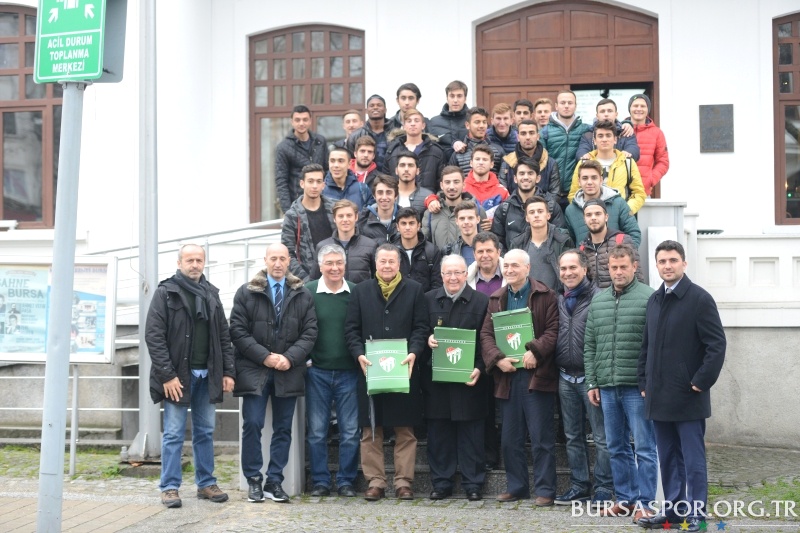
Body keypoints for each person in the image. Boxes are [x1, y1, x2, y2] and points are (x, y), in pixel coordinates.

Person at [637, 240, 726, 532]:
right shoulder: (654, 300)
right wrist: (643, 382)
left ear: (684, 264)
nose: (667, 266)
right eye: (662, 261)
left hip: (688, 395)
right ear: (656, 265)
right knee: (668, 458)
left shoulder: (700, 299)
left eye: (673, 260)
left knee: (692, 459)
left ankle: (697, 515)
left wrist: (700, 381)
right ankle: (674, 512)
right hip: (658, 396)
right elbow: (646, 347)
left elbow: (716, 345)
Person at [145, 243, 236, 508]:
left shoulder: (211, 293)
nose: (195, 265)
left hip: (207, 375)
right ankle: (170, 487)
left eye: (199, 260)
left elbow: (223, 335)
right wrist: (167, 375)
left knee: (205, 432)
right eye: (189, 260)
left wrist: (227, 371)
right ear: (179, 263)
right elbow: (154, 336)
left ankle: (206, 483)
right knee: (173, 434)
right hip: (177, 377)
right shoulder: (166, 293)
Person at [231, 243, 318, 504]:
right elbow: (237, 330)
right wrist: (265, 356)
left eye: (282, 258)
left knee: (283, 428)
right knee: (253, 424)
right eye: (273, 259)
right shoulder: (247, 292)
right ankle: (253, 480)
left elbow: (310, 332)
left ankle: (274, 481)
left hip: (288, 370)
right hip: (254, 369)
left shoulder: (302, 294)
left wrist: (288, 358)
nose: (278, 263)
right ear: (265, 260)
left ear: (289, 261)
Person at [344, 244, 429, 501]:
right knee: (371, 429)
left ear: (399, 264)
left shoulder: (414, 290)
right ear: (375, 264)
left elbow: (421, 328)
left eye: (392, 261)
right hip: (370, 370)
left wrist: (414, 352)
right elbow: (351, 329)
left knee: (405, 430)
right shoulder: (361, 291)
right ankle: (376, 481)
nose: (387, 265)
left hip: (404, 369)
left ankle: (404, 482)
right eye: (383, 261)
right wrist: (358, 354)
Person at [480, 249, 559, 506]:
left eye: (515, 265)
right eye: (507, 266)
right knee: (510, 439)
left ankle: (545, 489)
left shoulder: (546, 295)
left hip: (537, 376)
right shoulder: (496, 298)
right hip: (508, 377)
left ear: (528, 268)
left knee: (541, 438)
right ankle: (517, 487)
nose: (510, 270)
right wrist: (497, 359)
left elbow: (553, 330)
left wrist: (536, 351)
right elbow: (486, 335)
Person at [584, 244, 656, 521]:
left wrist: (649, 382)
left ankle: (646, 503)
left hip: (637, 388)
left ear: (634, 266)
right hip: (607, 386)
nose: (618, 272)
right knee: (616, 447)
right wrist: (593, 382)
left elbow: (655, 346)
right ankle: (626, 500)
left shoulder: (649, 298)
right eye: (613, 267)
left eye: (623, 266)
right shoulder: (599, 301)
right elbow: (590, 344)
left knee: (645, 448)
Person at [423, 255, 490, 501]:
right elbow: (418, 330)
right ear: (441, 275)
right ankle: (441, 483)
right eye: (448, 273)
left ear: (466, 274)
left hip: (469, 379)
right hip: (437, 381)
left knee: (472, 435)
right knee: (439, 435)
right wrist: (427, 339)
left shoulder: (481, 301)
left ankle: (473, 484)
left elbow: (487, 339)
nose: (453, 277)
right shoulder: (428, 299)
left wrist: (480, 368)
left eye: (458, 272)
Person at [552, 249, 613, 507]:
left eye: (573, 268)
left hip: (591, 379)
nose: (568, 273)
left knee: (601, 437)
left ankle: (604, 488)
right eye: (563, 269)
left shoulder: (600, 298)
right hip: (565, 378)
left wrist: (596, 379)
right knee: (573, 436)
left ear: (585, 269)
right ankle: (579, 485)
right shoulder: (557, 299)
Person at [305, 244, 360, 498]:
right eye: (329, 263)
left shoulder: (356, 292)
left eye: (339, 263)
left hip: (349, 372)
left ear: (345, 265)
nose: (335, 268)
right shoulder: (308, 292)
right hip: (317, 372)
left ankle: (347, 481)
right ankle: (320, 481)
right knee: (317, 432)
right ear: (320, 266)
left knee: (350, 432)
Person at [465, 230, 505, 470]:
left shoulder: (510, 275)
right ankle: (489, 456)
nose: (485, 255)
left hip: (507, 351)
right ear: (474, 254)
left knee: (509, 409)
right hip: (478, 354)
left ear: (498, 252)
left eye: (490, 250)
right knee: (486, 410)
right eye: (480, 251)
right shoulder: (468, 280)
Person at [568, 120, 647, 215]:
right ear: (594, 141)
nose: (604, 139)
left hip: (619, 216)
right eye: (600, 136)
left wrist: (626, 211)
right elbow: (574, 194)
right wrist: (586, 212)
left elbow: (639, 193)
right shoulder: (584, 162)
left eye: (608, 135)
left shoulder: (627, 162)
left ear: (615, 139)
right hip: (591, 218)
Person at [493, 157, 565, 253]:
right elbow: (497, 242)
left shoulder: (551, 206)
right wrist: (507, 259)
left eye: (530, 173)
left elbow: (561, 239)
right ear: (515, 178)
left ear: (538, 178)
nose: (526, 177)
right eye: (522, 173)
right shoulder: (504, 209)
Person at [565, 160, 641, 247]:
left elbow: (634, 234)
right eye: (585, 178)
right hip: (584, 256)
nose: (589, 182)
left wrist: (622, 255)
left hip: (614, 255)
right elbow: (569, 244)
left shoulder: (619, 203)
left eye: (594, 178)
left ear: (601, 180)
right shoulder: (571, 210)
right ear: (579, 181)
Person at [281, 164, 336, 281]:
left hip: (336, 273)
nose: (314, 186)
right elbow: (287, 253)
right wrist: (306, 279)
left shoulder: (334, 209)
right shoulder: (292, 216)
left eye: (318, 181)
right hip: (307, 278)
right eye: (310, 181)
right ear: (302, 183)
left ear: (323, 185)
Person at [540, 91, 592, 211]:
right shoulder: (545, 132)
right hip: (551, 192)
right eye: (563, 103)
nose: (566, 106)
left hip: (577, 193)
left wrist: (626, 124)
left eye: (570, 103)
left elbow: (607, 127)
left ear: (575, 106)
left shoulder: (586, 129)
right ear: (556, 106)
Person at [509, 196, 574, 291]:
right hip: (528, 297)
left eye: (540, 211)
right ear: (527, 218)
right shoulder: (517, 244)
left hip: (556, 297)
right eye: (532, 212)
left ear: (548, 215)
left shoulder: (563, 241)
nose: (536, 215)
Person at [309, 199, 378, 284]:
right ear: (334, 219)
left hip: (360, 292)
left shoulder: (371, 246)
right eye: (341, 216)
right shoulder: (322, 246)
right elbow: (314, 280)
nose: (345, 219)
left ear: (356, 217)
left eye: (349, 215)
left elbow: (377, 279)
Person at [275, 105, 329, 213]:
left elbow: (327, 171)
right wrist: (288, 211)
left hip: (322, 202)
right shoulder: (283, 147)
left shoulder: (320, 141)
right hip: (298, 205)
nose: (301, 123)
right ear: (292, 122)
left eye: (305, 119)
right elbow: (281, 181)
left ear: (310, 121)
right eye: (297, 120)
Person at [580, 199, 643, 288]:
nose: (593, 218)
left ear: (606, 217)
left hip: (621, 296)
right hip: (594, 297)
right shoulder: (583, 248)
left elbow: (638, 275)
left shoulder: (622, 240)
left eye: (598, 214)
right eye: (588, 215)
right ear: (584, 219)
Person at [420, 166, 486, 249]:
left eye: (456, 182)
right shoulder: (430, 213)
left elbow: (485, 240)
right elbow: (424, 241)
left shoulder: (477, 210)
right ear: (441, 185)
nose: (451, 187)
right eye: (447, 182)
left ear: (463, 185)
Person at [383, 109, 446, 191]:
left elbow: (442, 181)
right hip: (399, 197)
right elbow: (386, 180)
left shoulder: (436, 151)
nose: (413, 124)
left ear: (423, 125)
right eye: (409, 121)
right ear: (404, 126)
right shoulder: (392, 151)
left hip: (428, 197)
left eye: (416, 121)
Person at [498, 119, 561, 198]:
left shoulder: (550, 164)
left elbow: (555, 195)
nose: (528, 137)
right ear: (518, 137)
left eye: (531, 133)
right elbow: (503, 194)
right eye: (523, 133)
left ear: (538, 136)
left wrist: (540, 205)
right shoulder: (507, 163)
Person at [391, 207, 443, 292]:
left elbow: (437, 285)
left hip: (425, 299)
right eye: (403, 223)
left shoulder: (432, 251)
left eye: (411, 223)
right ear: (397, 227)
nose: (407, 227)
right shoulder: (390, 252)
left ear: (419, 226)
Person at [627, 94, 669, 195]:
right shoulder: (620, 130)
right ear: (630, 109)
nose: (639, 109)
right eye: (635, 106)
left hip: (642, 191)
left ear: (648, 109)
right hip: (620, 190)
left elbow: (663, 162)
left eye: (643, 106)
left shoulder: (657, 133)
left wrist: (650, 180)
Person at [449, 107, 504, 177]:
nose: (481, 126)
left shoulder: (498, 151)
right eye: (477, 122)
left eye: (484, 122)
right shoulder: (458, 153)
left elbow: (503, 179)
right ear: (467, 125)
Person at [462, 144, 509, 218]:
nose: (481, 162)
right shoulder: (462, 188)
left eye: (485, 160)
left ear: (492, 164)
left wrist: (494, 223)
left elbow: (508, 217)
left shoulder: (502, 191)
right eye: (477, 159)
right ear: (471, 163)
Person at [322, 147, 374, 213]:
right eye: (332, 161)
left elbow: (371, 215)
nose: (336, 165)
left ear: (349, 164)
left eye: (341, 161)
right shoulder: (321, 190)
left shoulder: (362, 189)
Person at [347, 95, 391, 169]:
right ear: (366, 111)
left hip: (390, 176)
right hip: (366, 176)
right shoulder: (355, 136)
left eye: (379, 105)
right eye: (372, 105)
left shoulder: (395, 134)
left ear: (385, 110)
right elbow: (350, 162)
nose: (375, 107)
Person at [429, 80, 469, 160]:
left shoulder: (472, 121)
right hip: (442, 166)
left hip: (467, 165)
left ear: (465, 99)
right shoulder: (433, 123)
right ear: (447, 98)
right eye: (452, 96)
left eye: (459, 96)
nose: (455, 100)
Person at [357, 174, 400, 242]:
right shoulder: (362, 220)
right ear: (374, 195)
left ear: (396, 195)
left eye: (389, 192)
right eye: (380, 193)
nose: (384, 197)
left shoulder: (405, 218)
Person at [392, 151, 434, 217]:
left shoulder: (427, 196)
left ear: (417, 171)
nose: (406, 169)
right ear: (396, 170)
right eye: (402, 165)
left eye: (410, 165)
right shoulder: (387, 194)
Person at [443, 201, 482, 267]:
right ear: (456, 221)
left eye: (470, 218)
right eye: (462, 218)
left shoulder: (492, 247)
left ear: (478, 219)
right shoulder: (448, 250)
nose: (466, 222)